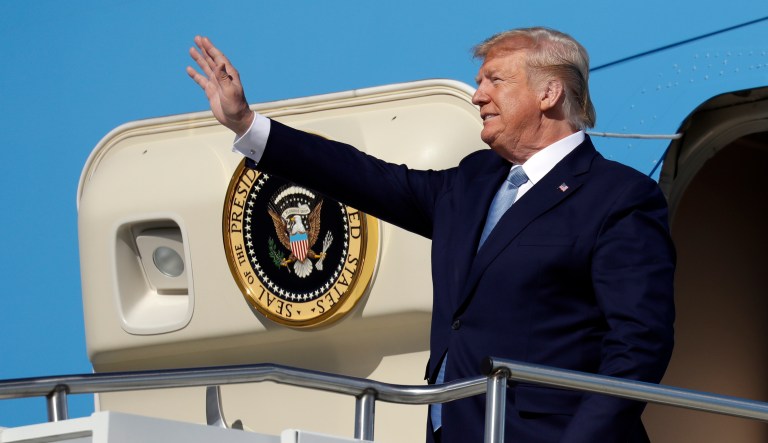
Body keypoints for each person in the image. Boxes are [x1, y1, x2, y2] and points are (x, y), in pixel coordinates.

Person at [187, 28, 675, 443]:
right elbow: (367, 179)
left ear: (549, 94)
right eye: (479, 81)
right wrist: (249, 126)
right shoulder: (474, 179)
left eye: (495, 81)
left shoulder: (619, 197)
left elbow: (637, 346)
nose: (478, 94)